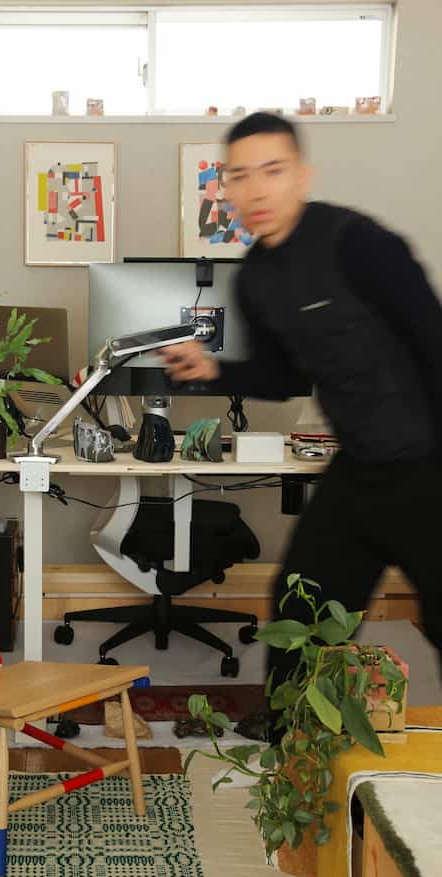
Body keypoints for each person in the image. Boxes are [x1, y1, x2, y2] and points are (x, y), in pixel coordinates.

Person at [161, 111, 442, 691]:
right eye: (240, 175)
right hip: (360, 473)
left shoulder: (359, 243)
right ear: (227, 187)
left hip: (429, 467)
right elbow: (281, 375)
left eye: (273, 170)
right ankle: (291, 762)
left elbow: (433, 341)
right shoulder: (253, 278)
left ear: (302, 176)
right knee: (297, 611)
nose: (257, 189)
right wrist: (212, 369)